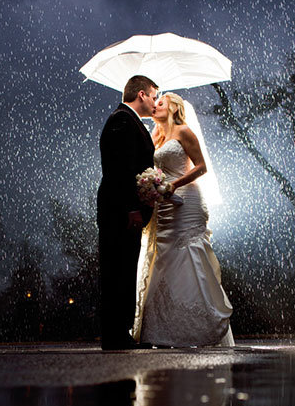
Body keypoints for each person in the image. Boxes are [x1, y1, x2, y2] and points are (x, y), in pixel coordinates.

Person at [133, 92, 234, 347]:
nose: (155, 106)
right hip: (163, 205)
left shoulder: (184, 131)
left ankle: (200, 325)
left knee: (188, 256)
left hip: (186, 201)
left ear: (174, 108)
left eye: (160, 103)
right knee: (162, 259)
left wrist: (173, 185)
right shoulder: (156, 136)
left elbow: (201, 167)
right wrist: (152, 186)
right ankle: (163, 329)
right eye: (154, 103)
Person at [97, 74, 158, 350]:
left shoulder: (128, 121)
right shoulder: (122, 120)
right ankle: (114, 335)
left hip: (123, 210)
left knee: (124, 267)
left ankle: (119, 333)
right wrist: (132, 208)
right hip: (120, 211)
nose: (155, 102)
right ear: (141, 94)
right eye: (154, 96)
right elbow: (120, 170)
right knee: (116, 268)